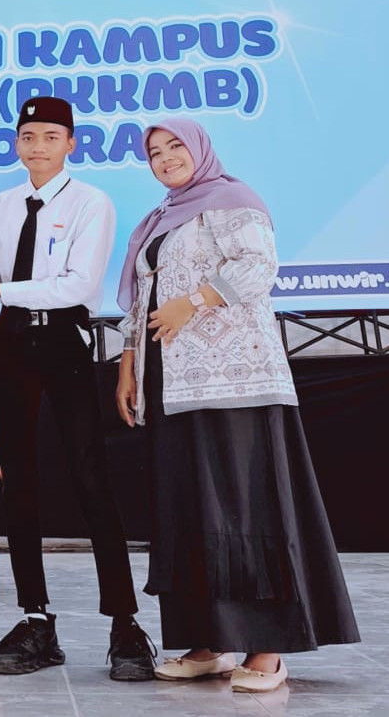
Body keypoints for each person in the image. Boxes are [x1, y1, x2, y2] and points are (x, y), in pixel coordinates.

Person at [115, 118, 360, 693]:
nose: (166, 157)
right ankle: (210, 642)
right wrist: (128, 363)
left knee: (246, 511)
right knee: (190, 512)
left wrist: (196, 300)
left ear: (200, 149)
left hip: (236, 381)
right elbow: (144, 299)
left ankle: (266, 648)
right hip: (172, 385)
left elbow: (258, 266)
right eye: (155, 152)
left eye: (176, 146)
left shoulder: (233, 200)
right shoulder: (159, 218)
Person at [0, 96, 156, 680]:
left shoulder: (90, 202)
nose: (38, 147)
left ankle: (124, 623)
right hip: (10, 342)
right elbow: (5, 274)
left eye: (51, 137)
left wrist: (1, 289)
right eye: (28, 137)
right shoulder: (3, 203)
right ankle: (35, 619)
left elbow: (77, 285)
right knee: (19, 479)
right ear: (16, 144)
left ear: (71, 144)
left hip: (63, 340)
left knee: (89, 475)